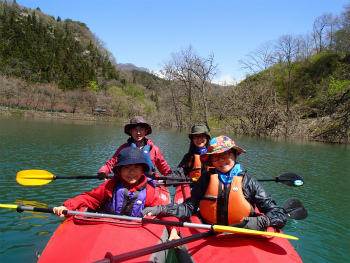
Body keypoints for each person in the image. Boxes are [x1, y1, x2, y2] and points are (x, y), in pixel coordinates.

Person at [141, 135, 287, 231]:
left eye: (225, 155)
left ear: (235, 155)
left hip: (242, 235)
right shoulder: (205, 179)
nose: (221, 160)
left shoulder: (249, 182)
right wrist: (161, 209)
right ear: (211, 161)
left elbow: (278, 213)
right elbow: (187, 208)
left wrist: (264, 221)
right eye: (216, 157)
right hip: (211, 232)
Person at [53, 147, 180, 240]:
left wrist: (174, 229)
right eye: (126, 168)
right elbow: (90, 198)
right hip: (107, 228)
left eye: (136, 167)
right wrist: (67, 206)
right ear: (119, 170)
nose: (131, 172)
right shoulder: (111, 185)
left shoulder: (148, 190)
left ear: (142, 170)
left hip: (134, 233)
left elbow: (163, 210)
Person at [97, 116, 172, 180]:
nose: (138, 133)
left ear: (145, 131)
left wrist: (171, 176)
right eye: (135, 129)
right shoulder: (124, 148)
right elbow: (111, 163)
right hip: (128, 180)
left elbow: (163, 166)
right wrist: (103, 171)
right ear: (130, 131)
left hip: (148, 180)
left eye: (141, 129)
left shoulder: (154, 149)